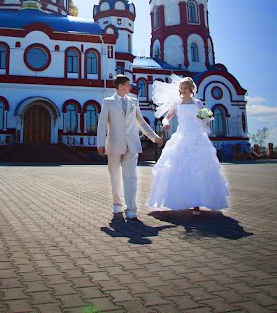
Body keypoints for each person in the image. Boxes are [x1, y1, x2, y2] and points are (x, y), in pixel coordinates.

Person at [147, 75, 229, 215]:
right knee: (180, 170)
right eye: (182, 88)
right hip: (182, 136)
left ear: (191, 89)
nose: (183, 90)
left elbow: (202, 119)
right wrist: (165, 123)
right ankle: (184, 200)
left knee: (198, 170)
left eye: (186, 88)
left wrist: (206, 120)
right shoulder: (177, 103)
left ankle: (197, 204)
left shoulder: (198, 103)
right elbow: (168, 117)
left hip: (197, 137)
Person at [97, 74, 163, 221]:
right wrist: (100, 143)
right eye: (128, 84)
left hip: (132, 144)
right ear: (120, 86)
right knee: (115, 177)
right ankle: (117, 205)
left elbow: (141, 122)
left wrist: (154, 137)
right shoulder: (108, 102)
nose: (130, 87)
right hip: (114, 145)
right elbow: (102, 124)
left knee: (131, 178)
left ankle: (131, 209)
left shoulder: (134, 101)